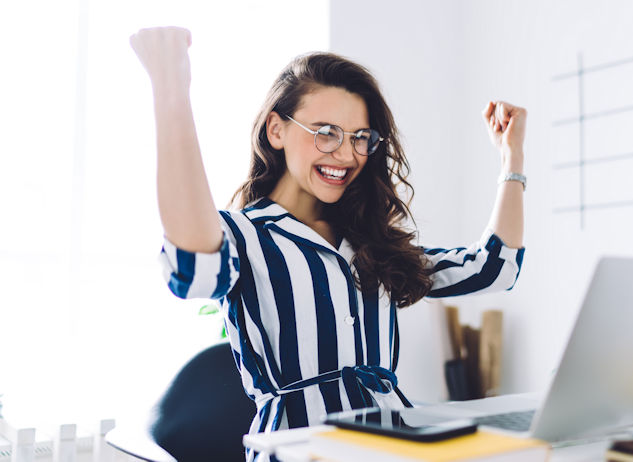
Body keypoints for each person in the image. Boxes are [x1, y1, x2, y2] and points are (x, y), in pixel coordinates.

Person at [130, 26, 527, 461]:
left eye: (360, 137)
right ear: (276, 130)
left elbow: (495, 267)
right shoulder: (245, 236)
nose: (346, 153)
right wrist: (172, 88)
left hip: (393, 447)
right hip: (299, 451)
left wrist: (512, 157)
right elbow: (193, 269)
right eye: (326, 132)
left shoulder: (371, 243)